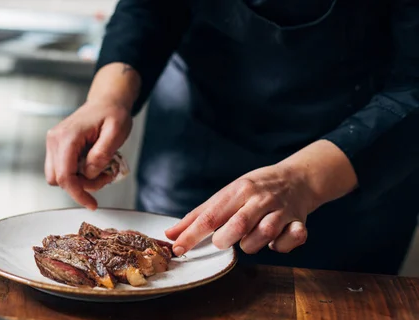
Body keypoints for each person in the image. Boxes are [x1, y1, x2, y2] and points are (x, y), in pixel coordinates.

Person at [45, 0, 419, 275]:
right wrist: (107, 98)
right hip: (193, 152)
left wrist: (304, 179)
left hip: (352, 179)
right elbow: (150, 8)